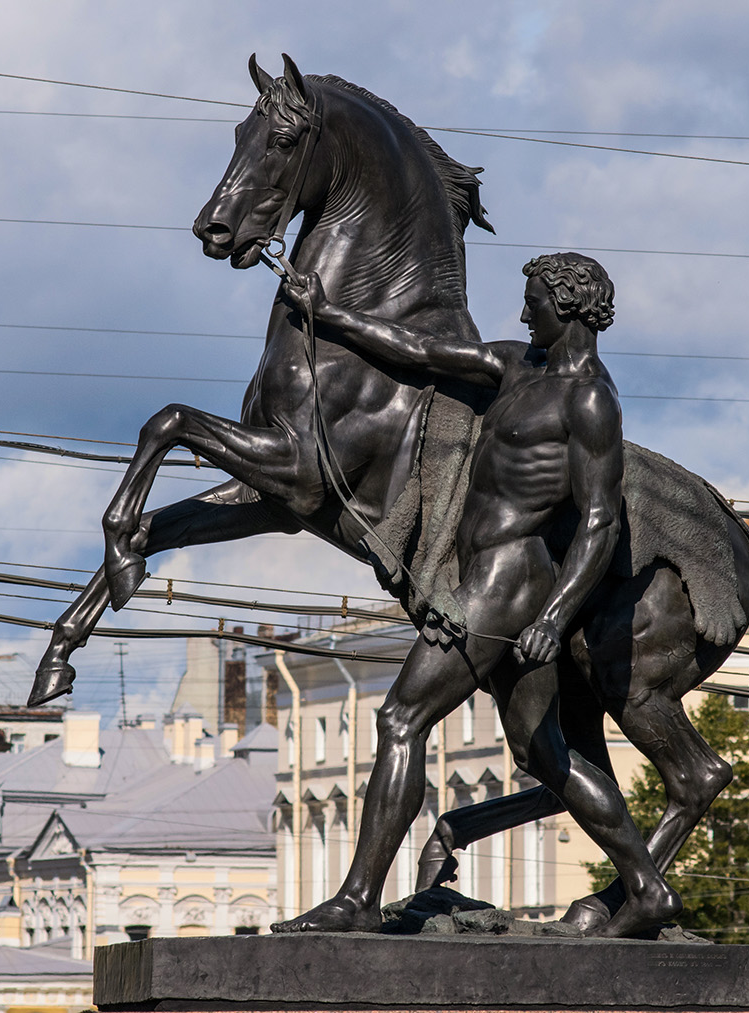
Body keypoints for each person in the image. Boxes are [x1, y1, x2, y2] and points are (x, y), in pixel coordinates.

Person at [272, 253, 677, 938]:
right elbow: (427, 349)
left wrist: (553, 617)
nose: (523, 314)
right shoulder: (521, 366)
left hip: (509, 581)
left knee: (402, 717)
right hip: (489, 575)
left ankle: (359, 899)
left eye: (534, 302)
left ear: (570, 306)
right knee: (543, 752)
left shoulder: (588, 399)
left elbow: (602, 521)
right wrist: (329, 313)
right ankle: (647, 888)